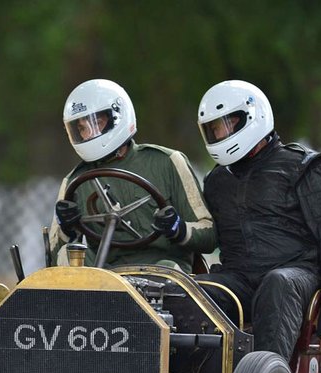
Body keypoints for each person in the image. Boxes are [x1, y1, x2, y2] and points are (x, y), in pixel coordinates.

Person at [194, 80, 321, 361]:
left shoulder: (305, 167)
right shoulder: (216, 181)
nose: (217, 134)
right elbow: (206, 233)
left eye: (223, 125)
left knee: (277, 284)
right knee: (195, 293)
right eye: (212, 129)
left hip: (296, 276)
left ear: (250, 118)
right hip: (239, 279)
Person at [49, 79, 215, 270]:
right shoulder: (74, 181)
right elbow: (55, 260)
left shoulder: (167, 161)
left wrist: (178, 228)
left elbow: (209, 234)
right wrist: (66, 228)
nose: (87, 136)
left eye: (96, 123)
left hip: (164, 271)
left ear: (117, 116)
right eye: (81, 129)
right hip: (106, 274)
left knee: (164, 271)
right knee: (67, 256)